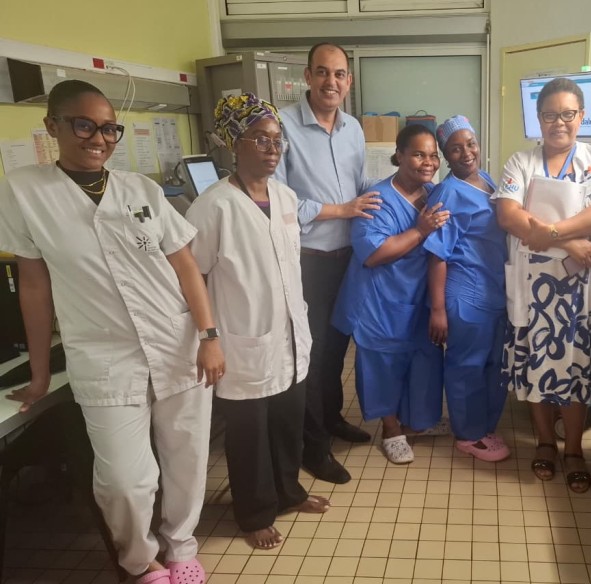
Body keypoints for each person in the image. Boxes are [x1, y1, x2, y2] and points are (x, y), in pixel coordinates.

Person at [0, 80, 224, 584]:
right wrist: (40, 375)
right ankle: (141, 561)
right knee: (125, 480)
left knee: (186, 457)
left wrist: (209, 336)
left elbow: (186, 267)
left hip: (177, 341)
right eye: (84, 125)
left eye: (109, 129)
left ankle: (182, 546)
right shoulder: (24, 191)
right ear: (52, 126)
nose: (98, 138)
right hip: (102, 354)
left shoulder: (140, 189)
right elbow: (33, 287)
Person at [185, 93, 331, 551]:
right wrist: (207, 337)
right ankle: (254, 513)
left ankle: (289, 493)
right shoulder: (213, 206)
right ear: (234, 143)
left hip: (289, 335)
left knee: (288, 422)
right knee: (249, 434)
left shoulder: (285, 196)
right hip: (241, 339)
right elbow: (193, 276)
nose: (272, 149)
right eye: (260, 139)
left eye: (276, 140)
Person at [495, 77, 591, 493]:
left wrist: (547, 231)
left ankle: (573, 450)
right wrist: (566, 240)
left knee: (576, 368)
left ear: (581, 116)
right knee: (536, 364)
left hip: (580, 288)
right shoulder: (521, 162)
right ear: (539, 118)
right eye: (550, 115)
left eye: (568, 114)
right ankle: (545, 443)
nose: (559, 122)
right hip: (533, 286)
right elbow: (508, 215)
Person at [275, 43, 380, 483]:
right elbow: (278, 201)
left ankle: (332, 419)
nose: (330, 82)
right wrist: (342, 210)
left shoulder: (353, 129)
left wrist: (404, 191)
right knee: (312, 356)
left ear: (348, 82)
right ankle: (312, 447)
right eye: (322, 72)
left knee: (338, 347)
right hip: (308, 261)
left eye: (338, 74)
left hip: (347, 259)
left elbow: (362, 185)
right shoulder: (281, 126)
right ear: (307, 76)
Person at [332, 125, 450, 464]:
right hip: (380, 299)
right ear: (399, 155)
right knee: (384, 364)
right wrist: (420, 230)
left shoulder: (433, 194)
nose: (428, 162)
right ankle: (391, 428)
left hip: (417, 295)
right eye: (418, 154)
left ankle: (416, 422)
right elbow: (374, 253)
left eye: (432, 155)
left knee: (424, 360)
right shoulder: (378, 199)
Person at [425, 115, 510, 462]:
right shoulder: (448, 192)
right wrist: (438, 309)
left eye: (470, 144)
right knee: (466, 367)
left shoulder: (486, 180)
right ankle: (468, 434)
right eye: (456, 149)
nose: (466, 153)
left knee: (494, 364)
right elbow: (437, 254)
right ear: (446, 155)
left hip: (494, 290)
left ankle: (484, 427)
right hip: (467, 294)